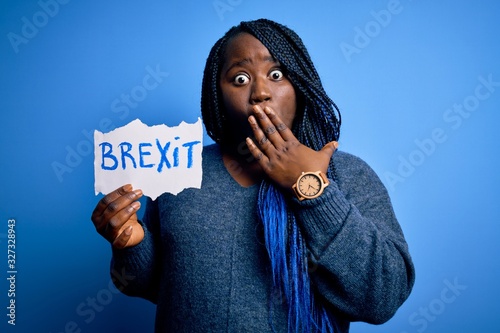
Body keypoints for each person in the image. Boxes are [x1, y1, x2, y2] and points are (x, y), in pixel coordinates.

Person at [91, 18, 415, 333]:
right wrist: (131, 242)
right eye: (240, 79)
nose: (260, 92)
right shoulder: (182, 170)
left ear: (299, 85)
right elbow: (156, 287)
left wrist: (312, 190)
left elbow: (382, 298)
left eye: (276, 74)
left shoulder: (348, 175)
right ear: (218, 96)